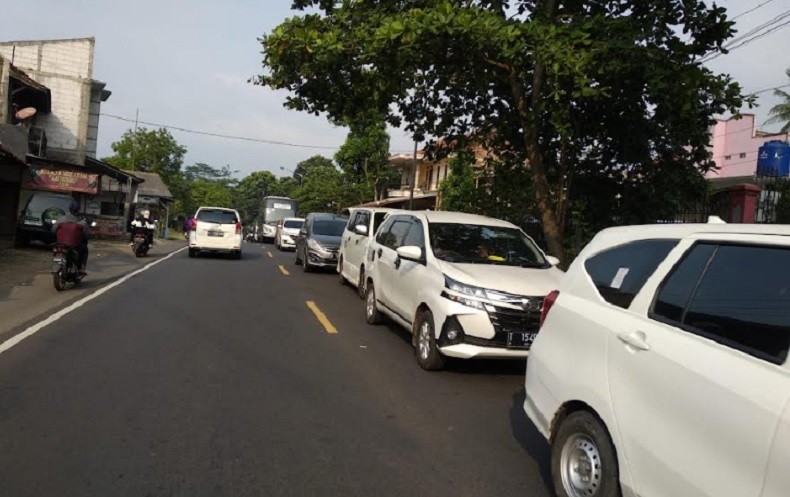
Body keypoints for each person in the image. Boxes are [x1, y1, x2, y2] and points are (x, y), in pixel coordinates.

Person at [53, 199, 90, 275]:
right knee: (85, 249)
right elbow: (87, 234)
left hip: (61, 244)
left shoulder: (61, 219)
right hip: (74, 246)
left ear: (69, 209)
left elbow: (53, 229)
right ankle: (81, 269)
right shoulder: (82, 223)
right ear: (78, 210)